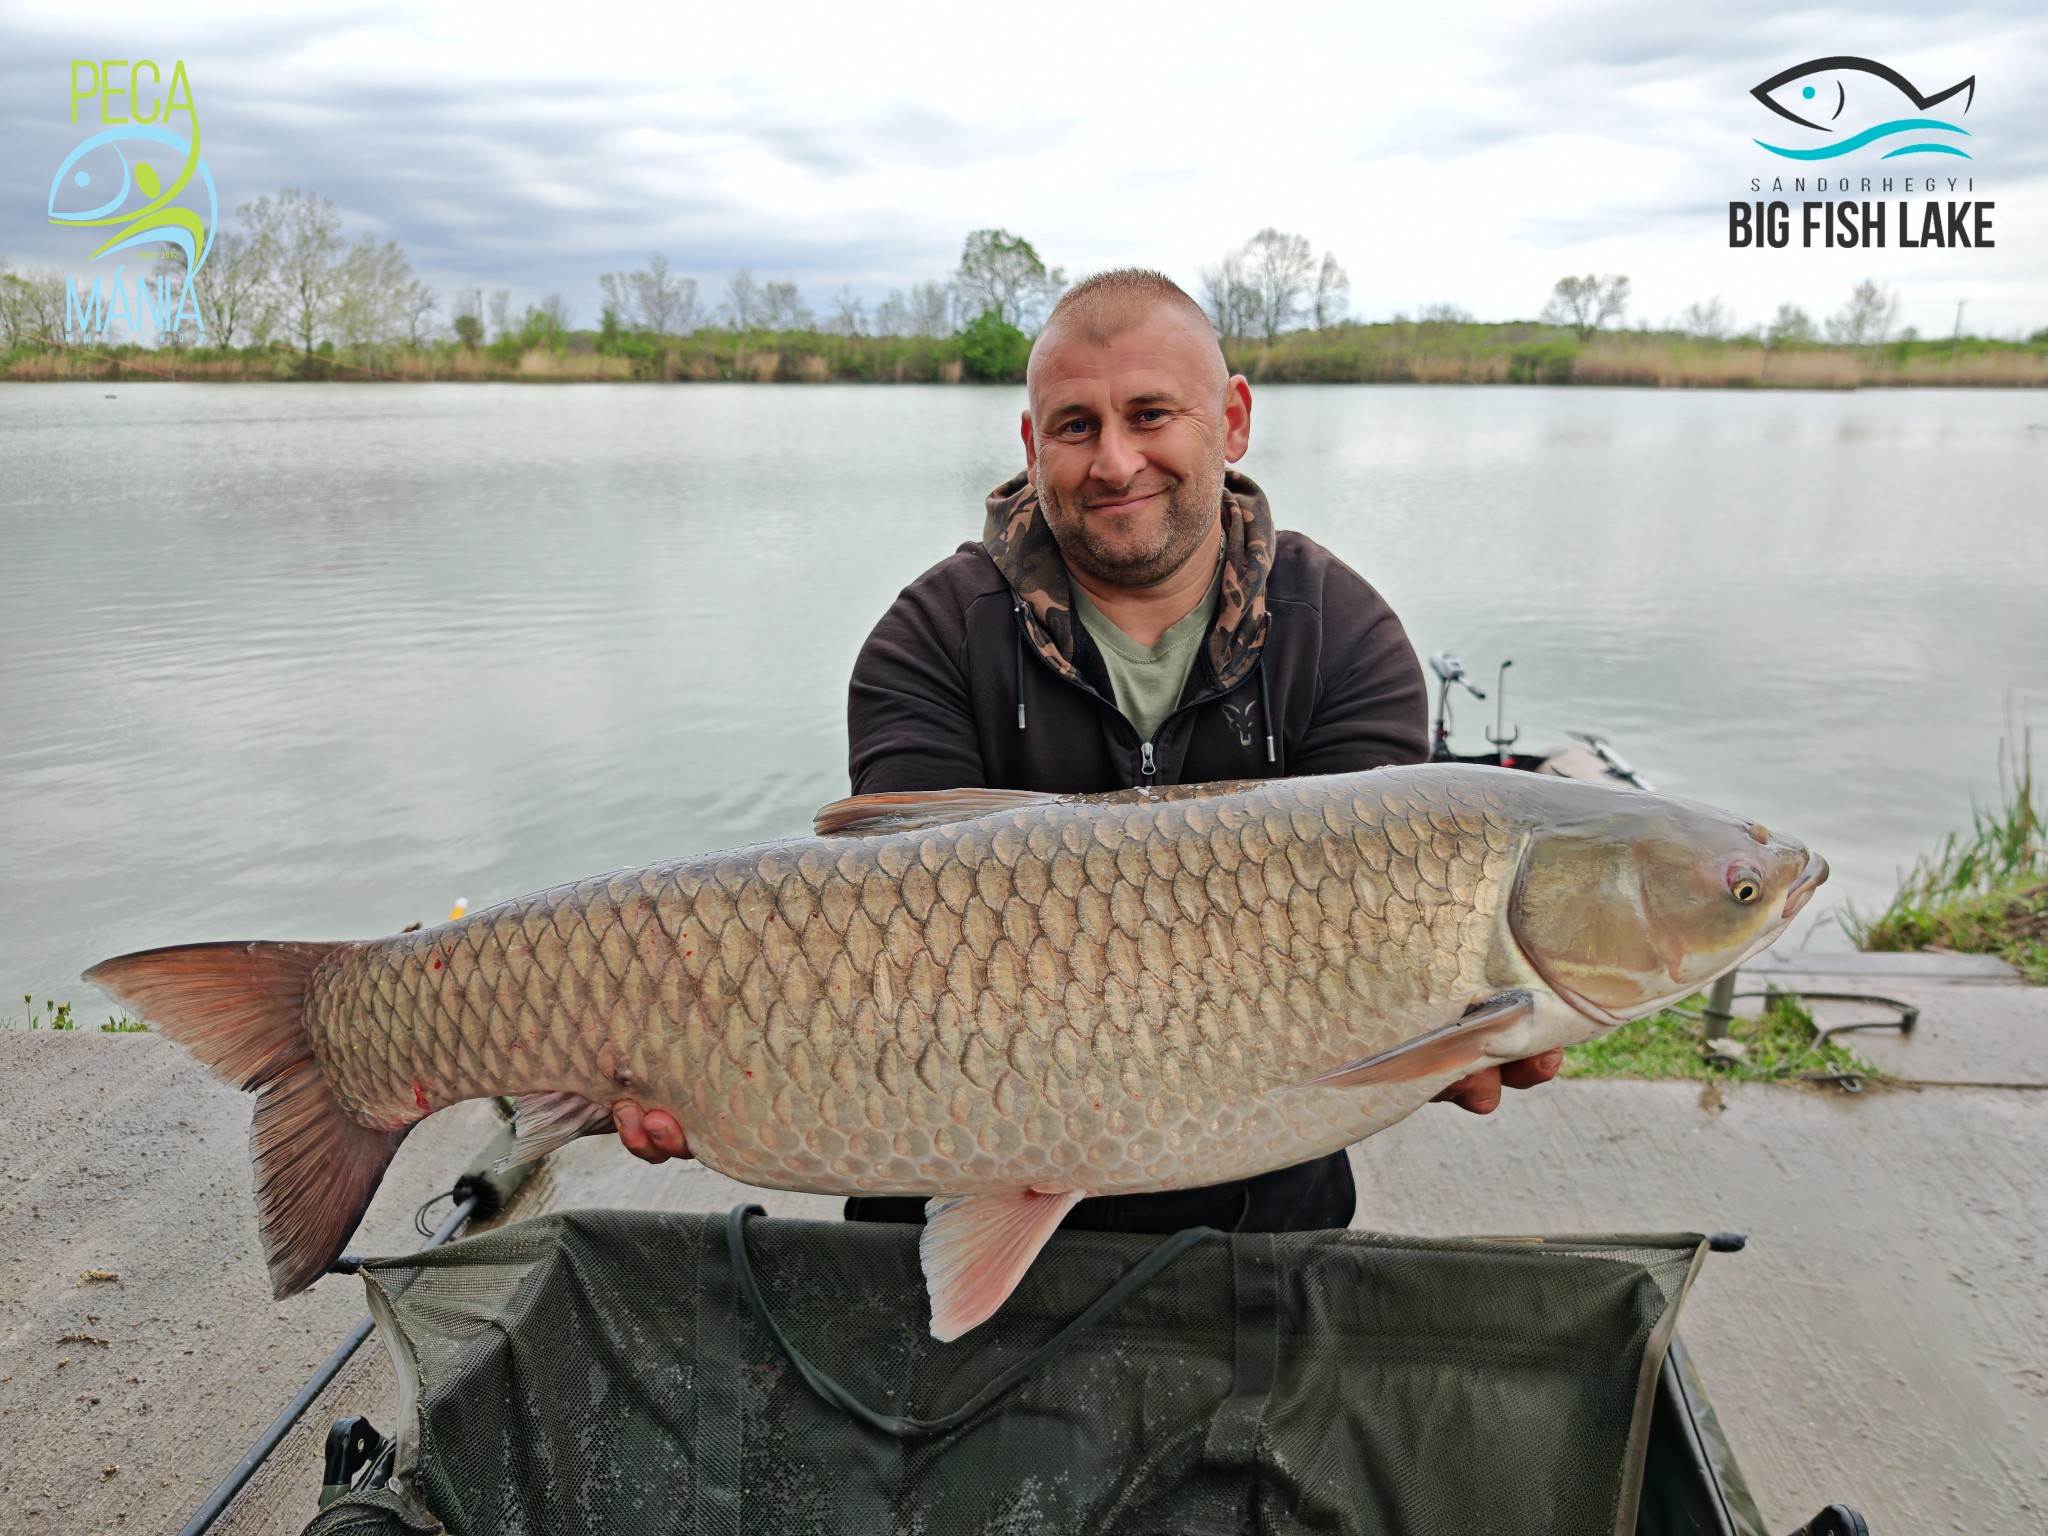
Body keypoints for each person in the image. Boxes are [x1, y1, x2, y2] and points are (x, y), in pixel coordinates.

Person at [614, 269, 1563, 1229]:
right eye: (1076, 427)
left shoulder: (1342, 636)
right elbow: (893, 942)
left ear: (1232, 420)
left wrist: (1441, 1033)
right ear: (1033, 448)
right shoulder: (932, 637)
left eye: (1151, 415)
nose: (1114, 462)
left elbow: (1375, 964)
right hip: (951, 1151)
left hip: (1257, 1219)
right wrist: (699, 1057)